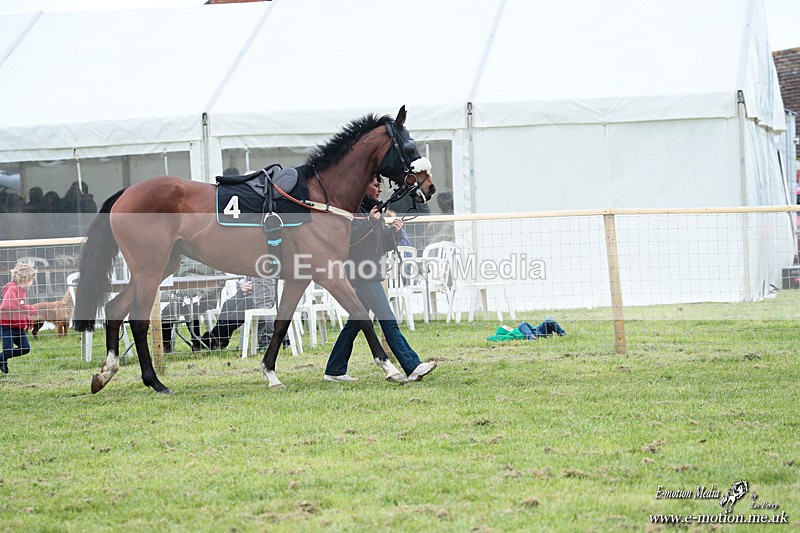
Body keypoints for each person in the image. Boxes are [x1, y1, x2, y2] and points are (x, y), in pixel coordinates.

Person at [324, 176, 437, 383]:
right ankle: (412, 365)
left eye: (380, 185)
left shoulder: (372, 211)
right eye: (375, 185)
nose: (380, 189)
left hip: (369, 272)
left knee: (355, 324)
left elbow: (379, 244)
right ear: (363, 186)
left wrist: (394, 232)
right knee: (388, 319)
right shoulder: (355, 212)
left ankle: (334, 369)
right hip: (362, 274)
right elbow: (348, 240)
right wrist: (369, 222)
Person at [199, 277, 283, 350]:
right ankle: (220, 340)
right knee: (228, 303)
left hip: (265, 297)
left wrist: (254, 287)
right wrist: (244, 285)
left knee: (243, 304)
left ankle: (215, 337)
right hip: (249, 293)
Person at [0, 262, 38, 374]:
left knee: (25, 348)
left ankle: (2, 358)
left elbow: (19, 306)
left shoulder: (22, 291)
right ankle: (2, 358)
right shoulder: (12, 289)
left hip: (18, 326)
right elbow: (8, 306)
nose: (31, 284)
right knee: (8, 349)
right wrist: (29, 310)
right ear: (26, 279)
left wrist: (26, 318)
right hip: (7, 325)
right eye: (31, 281)